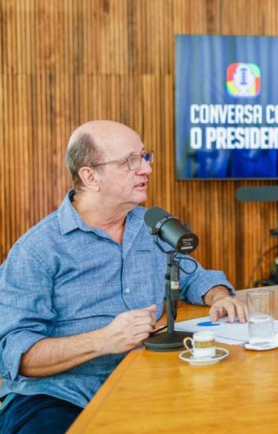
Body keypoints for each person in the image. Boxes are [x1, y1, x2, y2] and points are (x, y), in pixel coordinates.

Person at [0, 120, 248, 432]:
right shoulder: (36, 250)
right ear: (90, 176)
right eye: (129, 161)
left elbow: (191, 276)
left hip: (144, 382)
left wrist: (220, 296)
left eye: (145, 157)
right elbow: (14, 354)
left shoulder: (150, 226)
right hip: (57, 397)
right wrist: (102, 340)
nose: (146, 169)